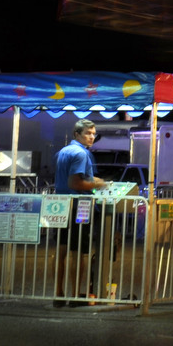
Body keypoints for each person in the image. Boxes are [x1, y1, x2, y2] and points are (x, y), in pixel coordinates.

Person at [53, 119, 106, 307]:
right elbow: (74, 183)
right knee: (78, 253)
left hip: (60, 206)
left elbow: (69, 178)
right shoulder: (81, 154)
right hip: (79, 207)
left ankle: (58, 294)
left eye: (93, 133)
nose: (92, 137)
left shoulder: (63, 152)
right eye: (88, 133)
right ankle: (75, 295)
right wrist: (97, 184)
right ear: (77, 134)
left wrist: (92, 180)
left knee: (61, 251)